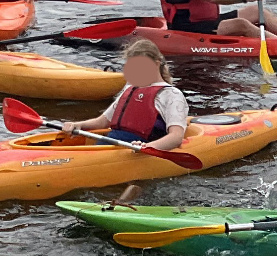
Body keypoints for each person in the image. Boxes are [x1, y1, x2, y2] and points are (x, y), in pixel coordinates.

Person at [66, 38, 189, 204]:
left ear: (157, 62)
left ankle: (119, 201)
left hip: (138, 150)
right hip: (109, 146)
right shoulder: (131, 87)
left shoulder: (171, 95)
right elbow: (103, 121)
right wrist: (78, 125)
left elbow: (176, 136)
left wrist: (148, 147)